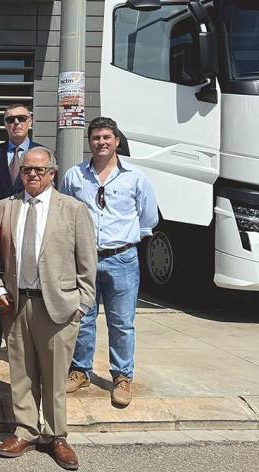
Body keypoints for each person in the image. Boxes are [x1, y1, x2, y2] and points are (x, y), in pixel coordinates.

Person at [0, 146, 97, 470]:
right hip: (16, 304)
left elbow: (88, 265)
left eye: (39, 169)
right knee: (20, 373)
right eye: (26, 170)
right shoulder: (5, 208)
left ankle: (55, 436)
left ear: (52, 173)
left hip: (58, 306)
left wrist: (81, 306)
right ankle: (25, 430)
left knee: (54, 377)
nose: (32, 174)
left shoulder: (74, 210)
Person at [61, 117, 158, 407]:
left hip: (122, 259)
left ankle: (122, 376)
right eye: (95, 138)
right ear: (88, 142)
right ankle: (80, 370)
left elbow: (148, 218)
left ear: (116, 140)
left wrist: (123, 241)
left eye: (106, 137)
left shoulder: (135, 177)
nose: (101, 142)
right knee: (83, 318)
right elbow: (66, 213)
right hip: (85, 260)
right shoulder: (74, 176)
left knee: (122, 322)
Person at [0, 104, 45, 377]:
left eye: (21, 118)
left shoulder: (40, 154)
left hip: (31, 229)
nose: (16, 123)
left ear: (30, 122)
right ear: (4, 124)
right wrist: (3, 213)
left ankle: (26, 350)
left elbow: (44, 188)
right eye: (10, 119)